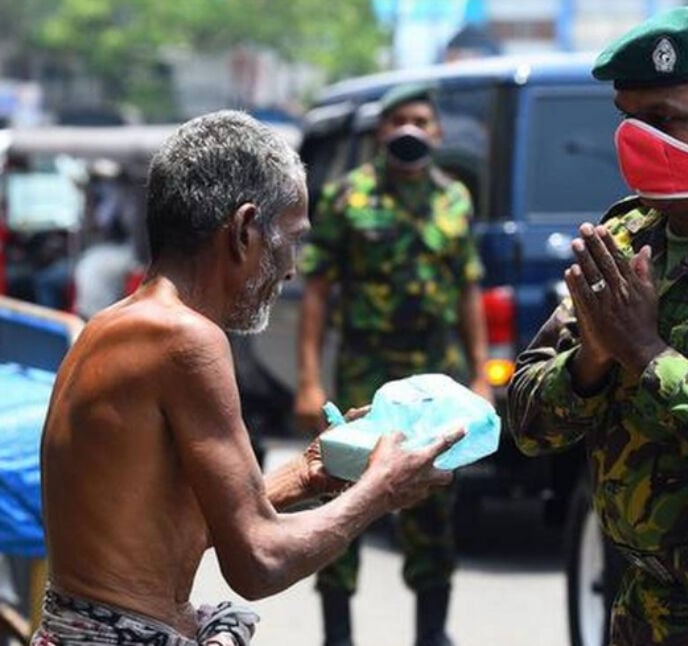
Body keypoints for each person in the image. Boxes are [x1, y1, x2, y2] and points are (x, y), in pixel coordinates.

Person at [34, 110, 465, 646]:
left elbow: (177, 525)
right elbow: (258, 560)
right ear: (242, 230)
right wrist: (380, 489)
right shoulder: (185, 339)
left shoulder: (114, 325)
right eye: (291, 239)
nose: (290, 269)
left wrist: (308, 474)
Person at [507, 5, 688, 645]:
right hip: (638, 604)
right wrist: (590, 361)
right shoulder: (623, 239)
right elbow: (526, 421)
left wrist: (646, 354)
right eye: (630, 121)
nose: (641, 141)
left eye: (666, 120)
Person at [295, 83, 491, 646]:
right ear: (381, 132)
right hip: (367, 372)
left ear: (437, 133)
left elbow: (466, 291)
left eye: (421, 120)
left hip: (436, 376)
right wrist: (308, 379)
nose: (410, 129)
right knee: (345, 497)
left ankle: (432, 633)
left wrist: (480, 373)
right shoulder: (345, 198)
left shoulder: (454, 199)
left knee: (435, 504)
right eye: (399, 119)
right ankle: (338, 634)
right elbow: (317, 293)